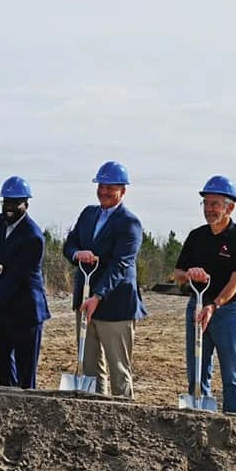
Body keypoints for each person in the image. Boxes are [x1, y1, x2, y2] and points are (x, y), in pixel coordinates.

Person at [61, 161, 147, 398]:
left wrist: (97, 296)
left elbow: (121, 265)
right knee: (89, 368)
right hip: (85, 302)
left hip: (116, 306)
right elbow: (70, 244)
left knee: (118, 369)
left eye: (111, 188)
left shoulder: (130, 223)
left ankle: (123, 416)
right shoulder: (88, 214)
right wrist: (77, 254)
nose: (104, 192)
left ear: (123, 191)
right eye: (101, 186)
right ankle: (95, 414)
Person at [172, 175, 236, 415]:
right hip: (197, 307)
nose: (209, 209)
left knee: (233, 375)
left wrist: (215, 306)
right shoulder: (196, 237)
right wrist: (190, 274)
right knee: (197, 371)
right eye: (206, 204)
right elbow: (177, 273)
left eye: (215, 204)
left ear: (230, 207)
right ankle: (199, 421)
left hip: (228, 312)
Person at [0, 176, 50, 389]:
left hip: (28, 309)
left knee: (25, 370)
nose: (9, 207)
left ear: (26, 205)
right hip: (6, 307)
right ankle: (6, 401)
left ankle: (27, 409)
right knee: (3, 358)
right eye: (6, 201)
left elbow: (17, 276)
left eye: (15, 202)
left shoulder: (33, 236)